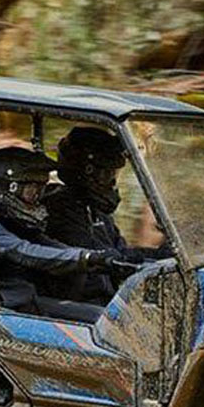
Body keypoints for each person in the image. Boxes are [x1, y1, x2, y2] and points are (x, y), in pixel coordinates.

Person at [0, 146, 130, 323]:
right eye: (31, 192)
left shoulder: (15, 225)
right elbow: (28, 252)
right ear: (4, 189)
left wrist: (102, 260)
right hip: (6, 313)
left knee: (113, 315)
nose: (37, 199)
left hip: (29, 303)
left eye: (40, 190)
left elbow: (52, 246)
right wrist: (86, 258)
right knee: (107, 321)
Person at [44, 126, 172, 303]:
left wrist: (163, 254)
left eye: (114, 174)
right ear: (88, 172)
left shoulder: (94, 209)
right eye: (107, 174)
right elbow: (105, 259)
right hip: (74, 303)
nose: (112, 182)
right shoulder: (60, 207)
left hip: (103, 299)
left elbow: (121, 252)